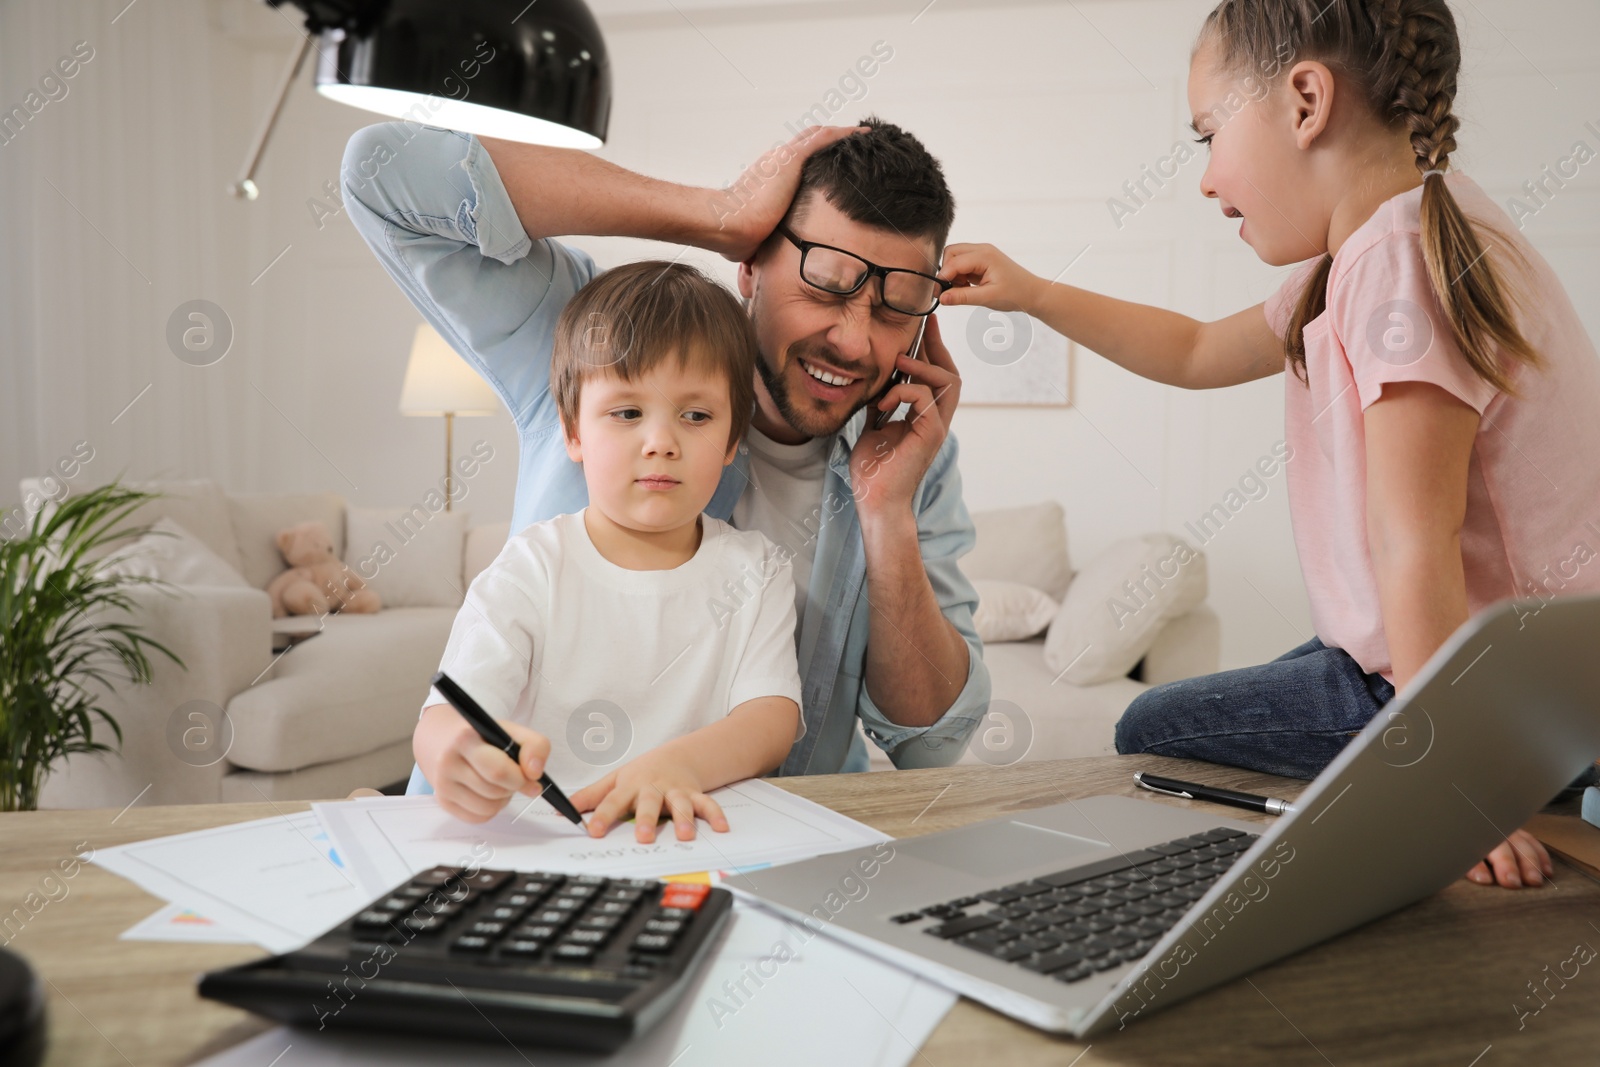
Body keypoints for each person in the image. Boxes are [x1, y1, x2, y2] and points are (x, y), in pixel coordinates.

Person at [935, 0, 1600, 889]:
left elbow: (1416, 541)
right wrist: (1034, 293)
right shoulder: (1402, 239)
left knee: (1146, 727)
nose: (1206, 181)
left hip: (1503, 696)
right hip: (1520, 675)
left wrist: (1461, 786)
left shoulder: (1398, 267)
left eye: (1209, 134)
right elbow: (1198, 349)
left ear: (1305, 102)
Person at [342, 115, 989, 784]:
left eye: (896, 307)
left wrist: (885, 515)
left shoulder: (910, 460)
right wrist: (717, 213)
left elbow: (932, 747)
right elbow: (380, 172)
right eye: (825, 282)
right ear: (750, 263)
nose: (855, 342)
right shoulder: (599, 343)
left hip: (742, 853)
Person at [411, 261, 803, 842]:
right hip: (554, 844)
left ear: (731, 440)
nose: (661, 443)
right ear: (573, 431)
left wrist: (680, 766)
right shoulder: (533, 568)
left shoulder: (757, 569)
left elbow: (772, 719)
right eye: (627, 413)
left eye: (696, 416)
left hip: (695, 846)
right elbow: (446, 715)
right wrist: (457, 753)